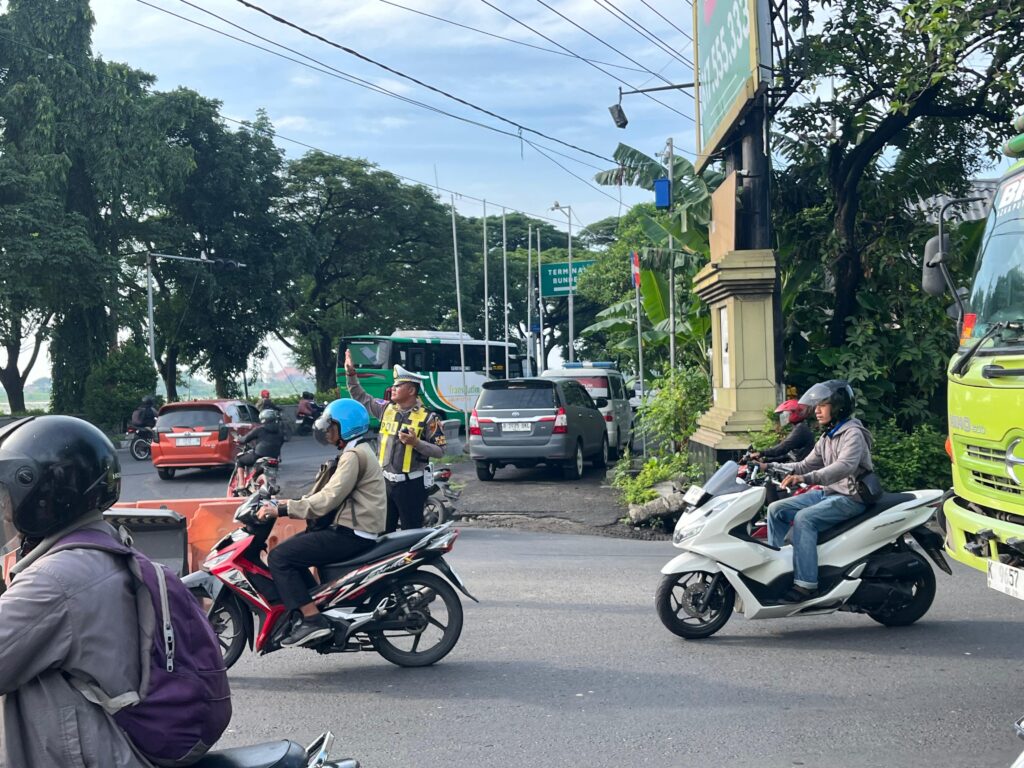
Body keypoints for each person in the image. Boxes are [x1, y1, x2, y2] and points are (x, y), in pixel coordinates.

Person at [0, 415, 153, 767]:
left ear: (40, 495)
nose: (4, 510)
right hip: (114, 747)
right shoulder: (103, 545)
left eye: (5, 496)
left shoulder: (54, 581)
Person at [256, 399, 386, 647]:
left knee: (280, 558)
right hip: (353, 528)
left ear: (345, 427)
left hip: (353, 533)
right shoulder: (357, 451)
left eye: (331, 426)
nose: (327, 432)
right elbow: (325, 494)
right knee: (291, 551)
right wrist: (287, 502)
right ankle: (315, 606)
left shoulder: (354, 456)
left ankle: (312, 620)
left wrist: (283, 509)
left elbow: (328, 499)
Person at [763, 380, 875, 603]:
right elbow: (804, 465)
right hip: (829, 493)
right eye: (817, 406)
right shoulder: (828, 436)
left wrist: (806, 478)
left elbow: (844, 466)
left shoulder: (853, 434)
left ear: (838, 407)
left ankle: (806, 585)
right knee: (776, 510)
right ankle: (779, 572)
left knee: (804, 519)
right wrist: (769, 465)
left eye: (823, 406)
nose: (817, 411)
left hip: (851, 497)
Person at [344, 350, 446, 532]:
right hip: (384, 483)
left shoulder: (429, 418)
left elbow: (440, 451)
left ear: (411, 390)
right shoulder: (385, 409)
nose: (392, 388)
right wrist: (351, 374)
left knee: (410, 533)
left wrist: (416, 443)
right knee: (382, 532)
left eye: (398, 386)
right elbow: (360, 396)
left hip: (411, 486)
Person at [750, 399, 815, 463]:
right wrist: (765, 460)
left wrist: (761, 453)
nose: (784, 416)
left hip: (802, 467)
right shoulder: (799, 427)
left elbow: (783, 447)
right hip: (799, 464)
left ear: (794, 413)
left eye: (786, 413)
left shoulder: (800, 429)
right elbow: (788, 455)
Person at [236, 407, 285, 482]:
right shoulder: (280, 431)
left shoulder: (259, 429)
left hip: (259, 455)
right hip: (274, 457)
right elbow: (281, 442)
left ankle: (241, 484)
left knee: (240, 461)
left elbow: (244, 439)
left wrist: (238, 439)